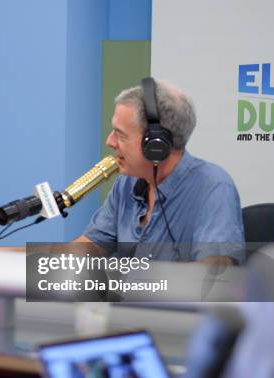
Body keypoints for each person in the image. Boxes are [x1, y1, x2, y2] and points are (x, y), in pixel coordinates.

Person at [73, 78, 244, 264]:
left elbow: (213, 276)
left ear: (156, 144)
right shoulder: (126, 182)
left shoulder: (213, 187)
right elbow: (92, 245)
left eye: (120, 134)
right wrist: (47, 262)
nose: (110, 141)